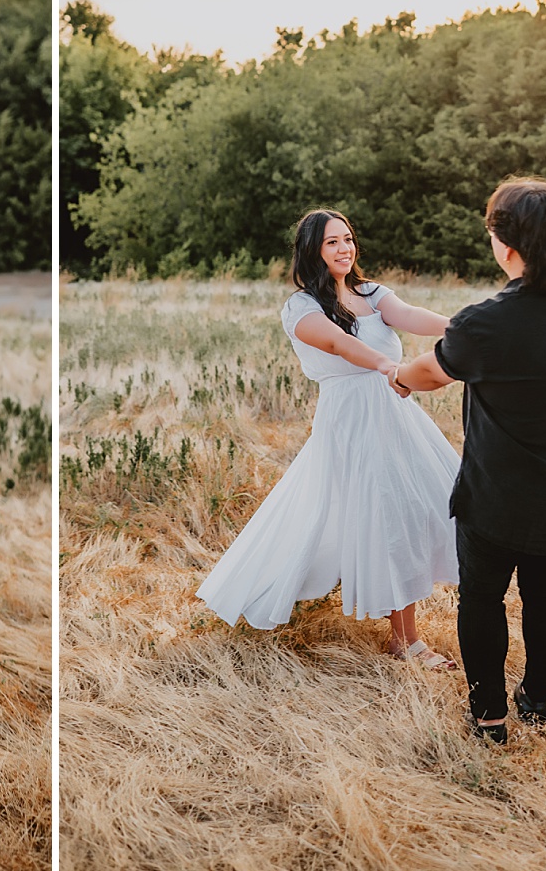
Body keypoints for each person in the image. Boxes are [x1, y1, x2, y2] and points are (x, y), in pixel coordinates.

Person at [393, 178, 546, 744]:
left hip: (501, 496)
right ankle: (537, 703)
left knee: (482, 599)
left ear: (507, 245)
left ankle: (489, 716)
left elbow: (427, 373)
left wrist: (397, 375)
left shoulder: (484, 322)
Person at [194, 209, 461, 667]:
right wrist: (386, 365)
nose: (345, 248)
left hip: (395, 416)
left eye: (349, 239)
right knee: (368, 518)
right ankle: (406, 641)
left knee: (414, 512)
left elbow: (411, 315)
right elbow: (337, 343)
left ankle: (404, 635)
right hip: (351, 421)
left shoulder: (371, 293)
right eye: (332, 242)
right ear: (312, 250)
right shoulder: (301, 307)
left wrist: (463, 326)